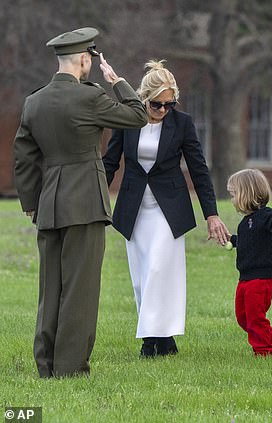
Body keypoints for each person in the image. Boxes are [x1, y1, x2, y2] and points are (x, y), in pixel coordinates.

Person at [13, 27, 147, 377]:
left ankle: (45, 364)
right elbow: (137, 115)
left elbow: (24, 156)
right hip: (85, 202)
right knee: (80, 289)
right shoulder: (90, 97)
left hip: (48, 204)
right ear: (85, 60)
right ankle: (70, 367)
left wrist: (30, 201)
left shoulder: (34, 101)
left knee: (50, 287)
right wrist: (117, 81)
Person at [102, 60, 229, 358]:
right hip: (134, 209)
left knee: (160, 269)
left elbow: (199, 169)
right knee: (143, 275)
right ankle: (164, 338)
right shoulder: (127, 120)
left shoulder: (181, 123)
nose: (163, 110)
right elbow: (110, 163)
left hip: (168, 209)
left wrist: (211, 214)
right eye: (157, 105)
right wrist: (95, 200)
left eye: (169, 104)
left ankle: (150, 340)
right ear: (144, 99)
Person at [226, 169, 272, 356]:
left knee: (255, 318)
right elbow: (246, 241)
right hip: (244, 279)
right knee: (243, 318)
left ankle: (263, 351)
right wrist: (230, 239)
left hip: (261, 280)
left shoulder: (267, 216)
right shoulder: (245, 223)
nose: (232, 199)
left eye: (234, 194)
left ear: (247, 193)